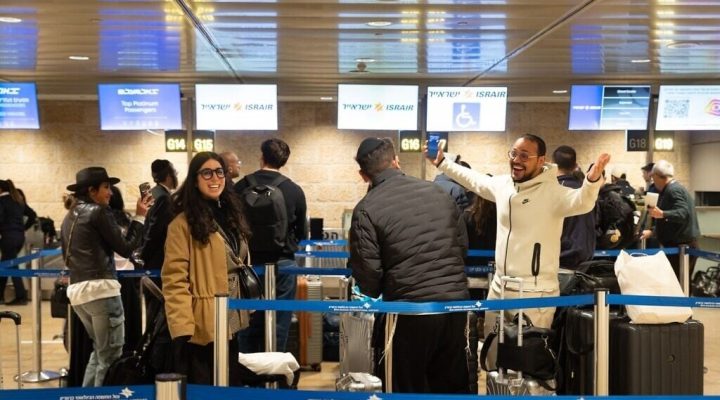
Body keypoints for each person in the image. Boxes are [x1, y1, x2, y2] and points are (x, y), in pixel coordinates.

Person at [426, 134, 609, 329]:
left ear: (540, 160)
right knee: (491, 352)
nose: (516, 160)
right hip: (498, 286)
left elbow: (583, 201)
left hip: (535, 292)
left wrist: (591, 180)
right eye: (513, 154)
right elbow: (474, 180)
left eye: (524, 156)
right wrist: (442, 162)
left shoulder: (552, 192)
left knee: (527, 356)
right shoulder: (503, 185)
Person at [350, 137, 471, 394]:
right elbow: (462, 247)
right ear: (396, 161)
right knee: (451, 388)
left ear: (363, 175)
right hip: (455, 306)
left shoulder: (366, 209)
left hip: (408, 312)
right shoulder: (439, 192)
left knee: (404, 389)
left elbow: (369, 278)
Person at [163, 151, 252, 384]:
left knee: (228, 381)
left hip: (232, 316)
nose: (215, 178)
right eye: (207, 173)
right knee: (205, 384)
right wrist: (182, 327)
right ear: (194, 179)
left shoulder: (231, 214)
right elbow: (174, 279)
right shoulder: (182, 224)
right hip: (202, 323)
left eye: (220, 172)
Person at [60, 167, 149, 386]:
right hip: (102, 291)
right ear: (92, 190)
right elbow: (126, 248)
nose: (110, 192)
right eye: (107, 187)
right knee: (110, 354)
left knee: (100, 353)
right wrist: (140, 217)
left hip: (79, 292)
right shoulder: (98, 211)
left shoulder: (70, 215)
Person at [234, 138, 306, 353]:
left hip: (248, 265)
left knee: (246, 320)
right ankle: (273, 375)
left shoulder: (241, 186)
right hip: (283, 265)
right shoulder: (294, 190)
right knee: (280, 322)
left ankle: (246, 374)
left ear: (261, 156)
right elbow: (302, 232)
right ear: (284, 161)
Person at [640, 160, 700, 279]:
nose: (652, 180)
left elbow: (683, 213)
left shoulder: (673, 190)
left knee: (678, 285)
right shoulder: (673, 189)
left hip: (682, 247)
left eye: (652, 176)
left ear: (658, 176)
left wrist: (662, 213)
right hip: (680, 246)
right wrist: (653, 231)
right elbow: (674, 221)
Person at [108, 186, 142, 353]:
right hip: (128, 276)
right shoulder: (126, 221)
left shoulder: (105, 222)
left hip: (111, 277)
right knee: (129, 322)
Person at [552, 145, 596, 269]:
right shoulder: (586, 190)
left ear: (553, 164)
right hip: (586, 258)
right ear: (575, 165)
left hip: (561, 258)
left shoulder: (553, 190)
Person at [0, 179, 37, 305]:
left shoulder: (2, 201)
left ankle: (21, 297)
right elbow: (32, 215)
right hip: (19, 237)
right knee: (6, 265)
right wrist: (22, 228)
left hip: (8, 237)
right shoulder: (18, 200)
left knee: (11, 266)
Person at [139, 159, 179, 275]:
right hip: (158, 258)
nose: (176, 176)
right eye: (175, 172)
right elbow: (155, 230)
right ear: (168, 175)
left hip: (150, 257)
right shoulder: (164, 198)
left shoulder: (150, 193)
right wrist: (145, 255)